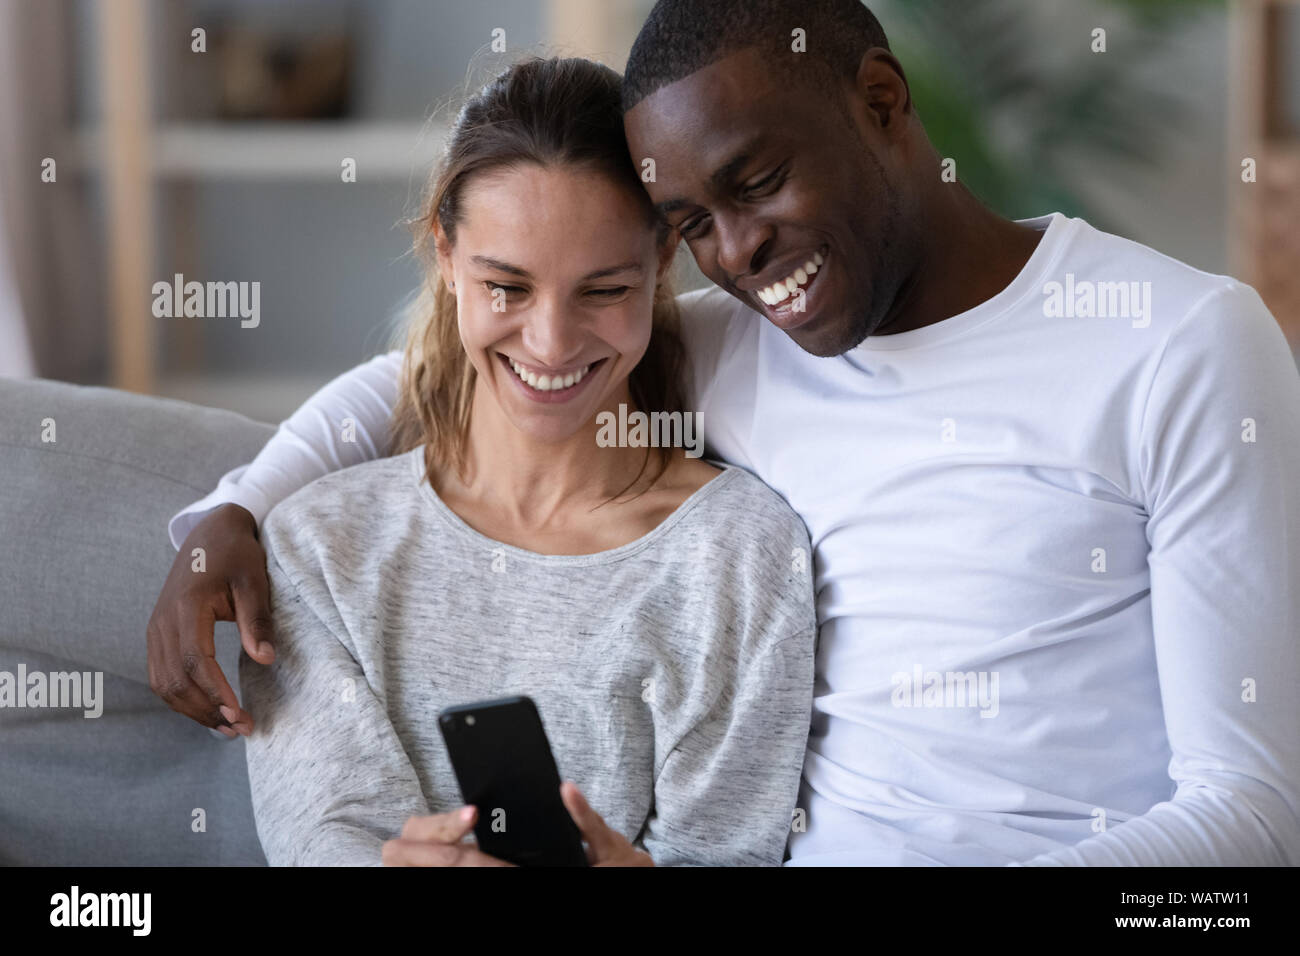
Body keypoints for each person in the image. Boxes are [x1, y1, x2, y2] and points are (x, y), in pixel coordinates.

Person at [150, 0, 1300, 866]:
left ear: (884, 103)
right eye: (692, 223)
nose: (740, 253)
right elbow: (449, 369)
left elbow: (1253, 814)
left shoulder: (1179, 343)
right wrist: (234, 514)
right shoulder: (747, 337)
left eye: (759, 181)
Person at [206, 56, 816, 866]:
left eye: (603, 290)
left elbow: (725, 853)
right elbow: (329, 842)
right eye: (508, 287)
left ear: (663, 263)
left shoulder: (741, 556)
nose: (553, 344)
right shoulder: (319, 548)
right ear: (446, 258)